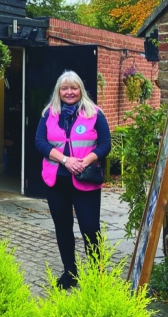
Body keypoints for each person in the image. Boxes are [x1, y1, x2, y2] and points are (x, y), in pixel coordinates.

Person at [34, 70, 111, 290]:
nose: (69, 92)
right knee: (63, 226)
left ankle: (96, 276)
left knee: (90, 227)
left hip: (85, 179)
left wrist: (84, 161)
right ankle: (70, 272)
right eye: (65, 88)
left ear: (81, 90)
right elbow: (40, 142)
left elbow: (105, 144)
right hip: (56, 180)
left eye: (74, 88)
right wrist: (66, 160)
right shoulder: (48, 113)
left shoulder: (95, 113)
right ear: (59, 91)